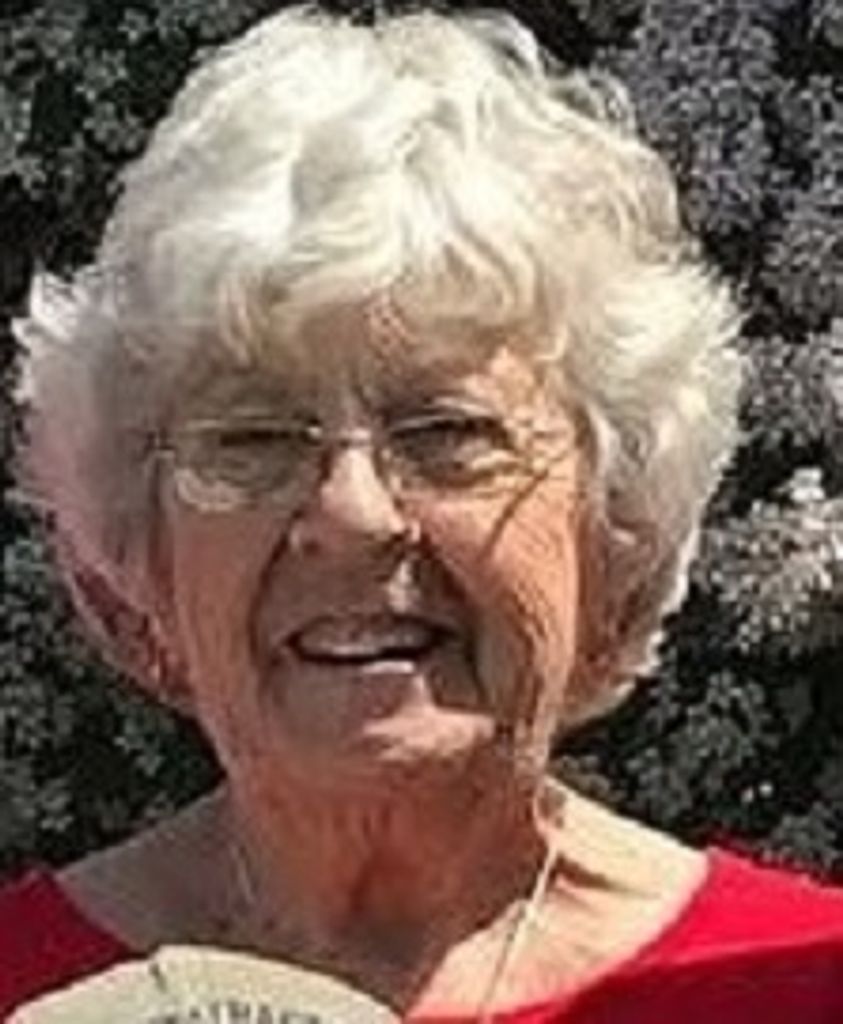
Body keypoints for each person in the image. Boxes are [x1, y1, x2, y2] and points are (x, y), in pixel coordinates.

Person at [2, 6, 842, 1022]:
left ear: (612, 529)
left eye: (447, 430)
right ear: (146, 565)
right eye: (252, 439)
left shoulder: (805, 984)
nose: (352, 514)